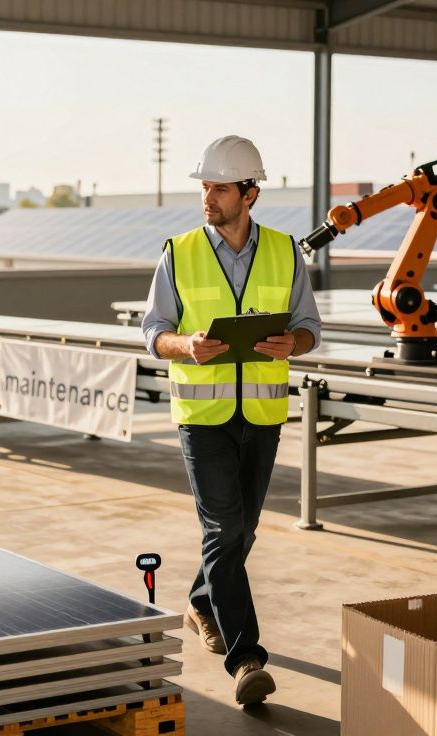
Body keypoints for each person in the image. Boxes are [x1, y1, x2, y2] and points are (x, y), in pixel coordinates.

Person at [141, 135, 321, 705]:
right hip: (203, 415)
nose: (208, 197)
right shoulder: (179, 252)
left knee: (243, 531)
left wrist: (292, 341)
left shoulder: (287, 252)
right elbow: (153, 332)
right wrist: (184, 344)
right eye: (205, 187)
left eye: (219, 187)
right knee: (223, 527)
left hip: (263, 413)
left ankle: (200, 600)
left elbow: (311, 328)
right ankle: (246, 659)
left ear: (250, 193)